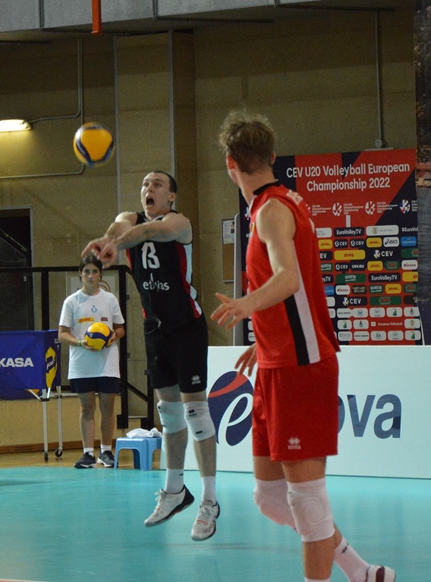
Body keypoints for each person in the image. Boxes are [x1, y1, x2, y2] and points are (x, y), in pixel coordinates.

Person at [211, 109, 395, 582]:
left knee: (308, 504)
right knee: (271, 498)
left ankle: (356, 573)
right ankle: (362, 571)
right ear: (272, 155)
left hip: (301, 366)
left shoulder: (272, 211)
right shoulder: (272, 204)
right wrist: (263, 339)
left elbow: (288, 279)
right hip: (276, 362)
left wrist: (245, 305)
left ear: (230, 163)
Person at [82, 171, 219, 542]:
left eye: (158, 184)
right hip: (155, 329)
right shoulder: (128, 220)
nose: (149, 188)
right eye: (145, 184)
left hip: (187, 327)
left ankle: (209, 500)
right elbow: (120, 226)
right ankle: (175, 491)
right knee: (168, 414)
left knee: (196, 412)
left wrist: (116, 243)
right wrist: (109, 239)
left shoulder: (179, 223)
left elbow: (150, 232)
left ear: (171, 196)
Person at [58, 254, 126, 469]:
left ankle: (106, 451)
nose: (90, 275)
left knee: (108, 406)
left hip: (107, 363)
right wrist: (80, 343)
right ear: (80, 274)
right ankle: (87, 453)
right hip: (82, 364)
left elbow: (120, 329)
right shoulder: (71, 301)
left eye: (94, 271)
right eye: (86, 271)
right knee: (87, 408)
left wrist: (113, 337)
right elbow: (62, 334)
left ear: (100, 275)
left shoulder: (110, 299)